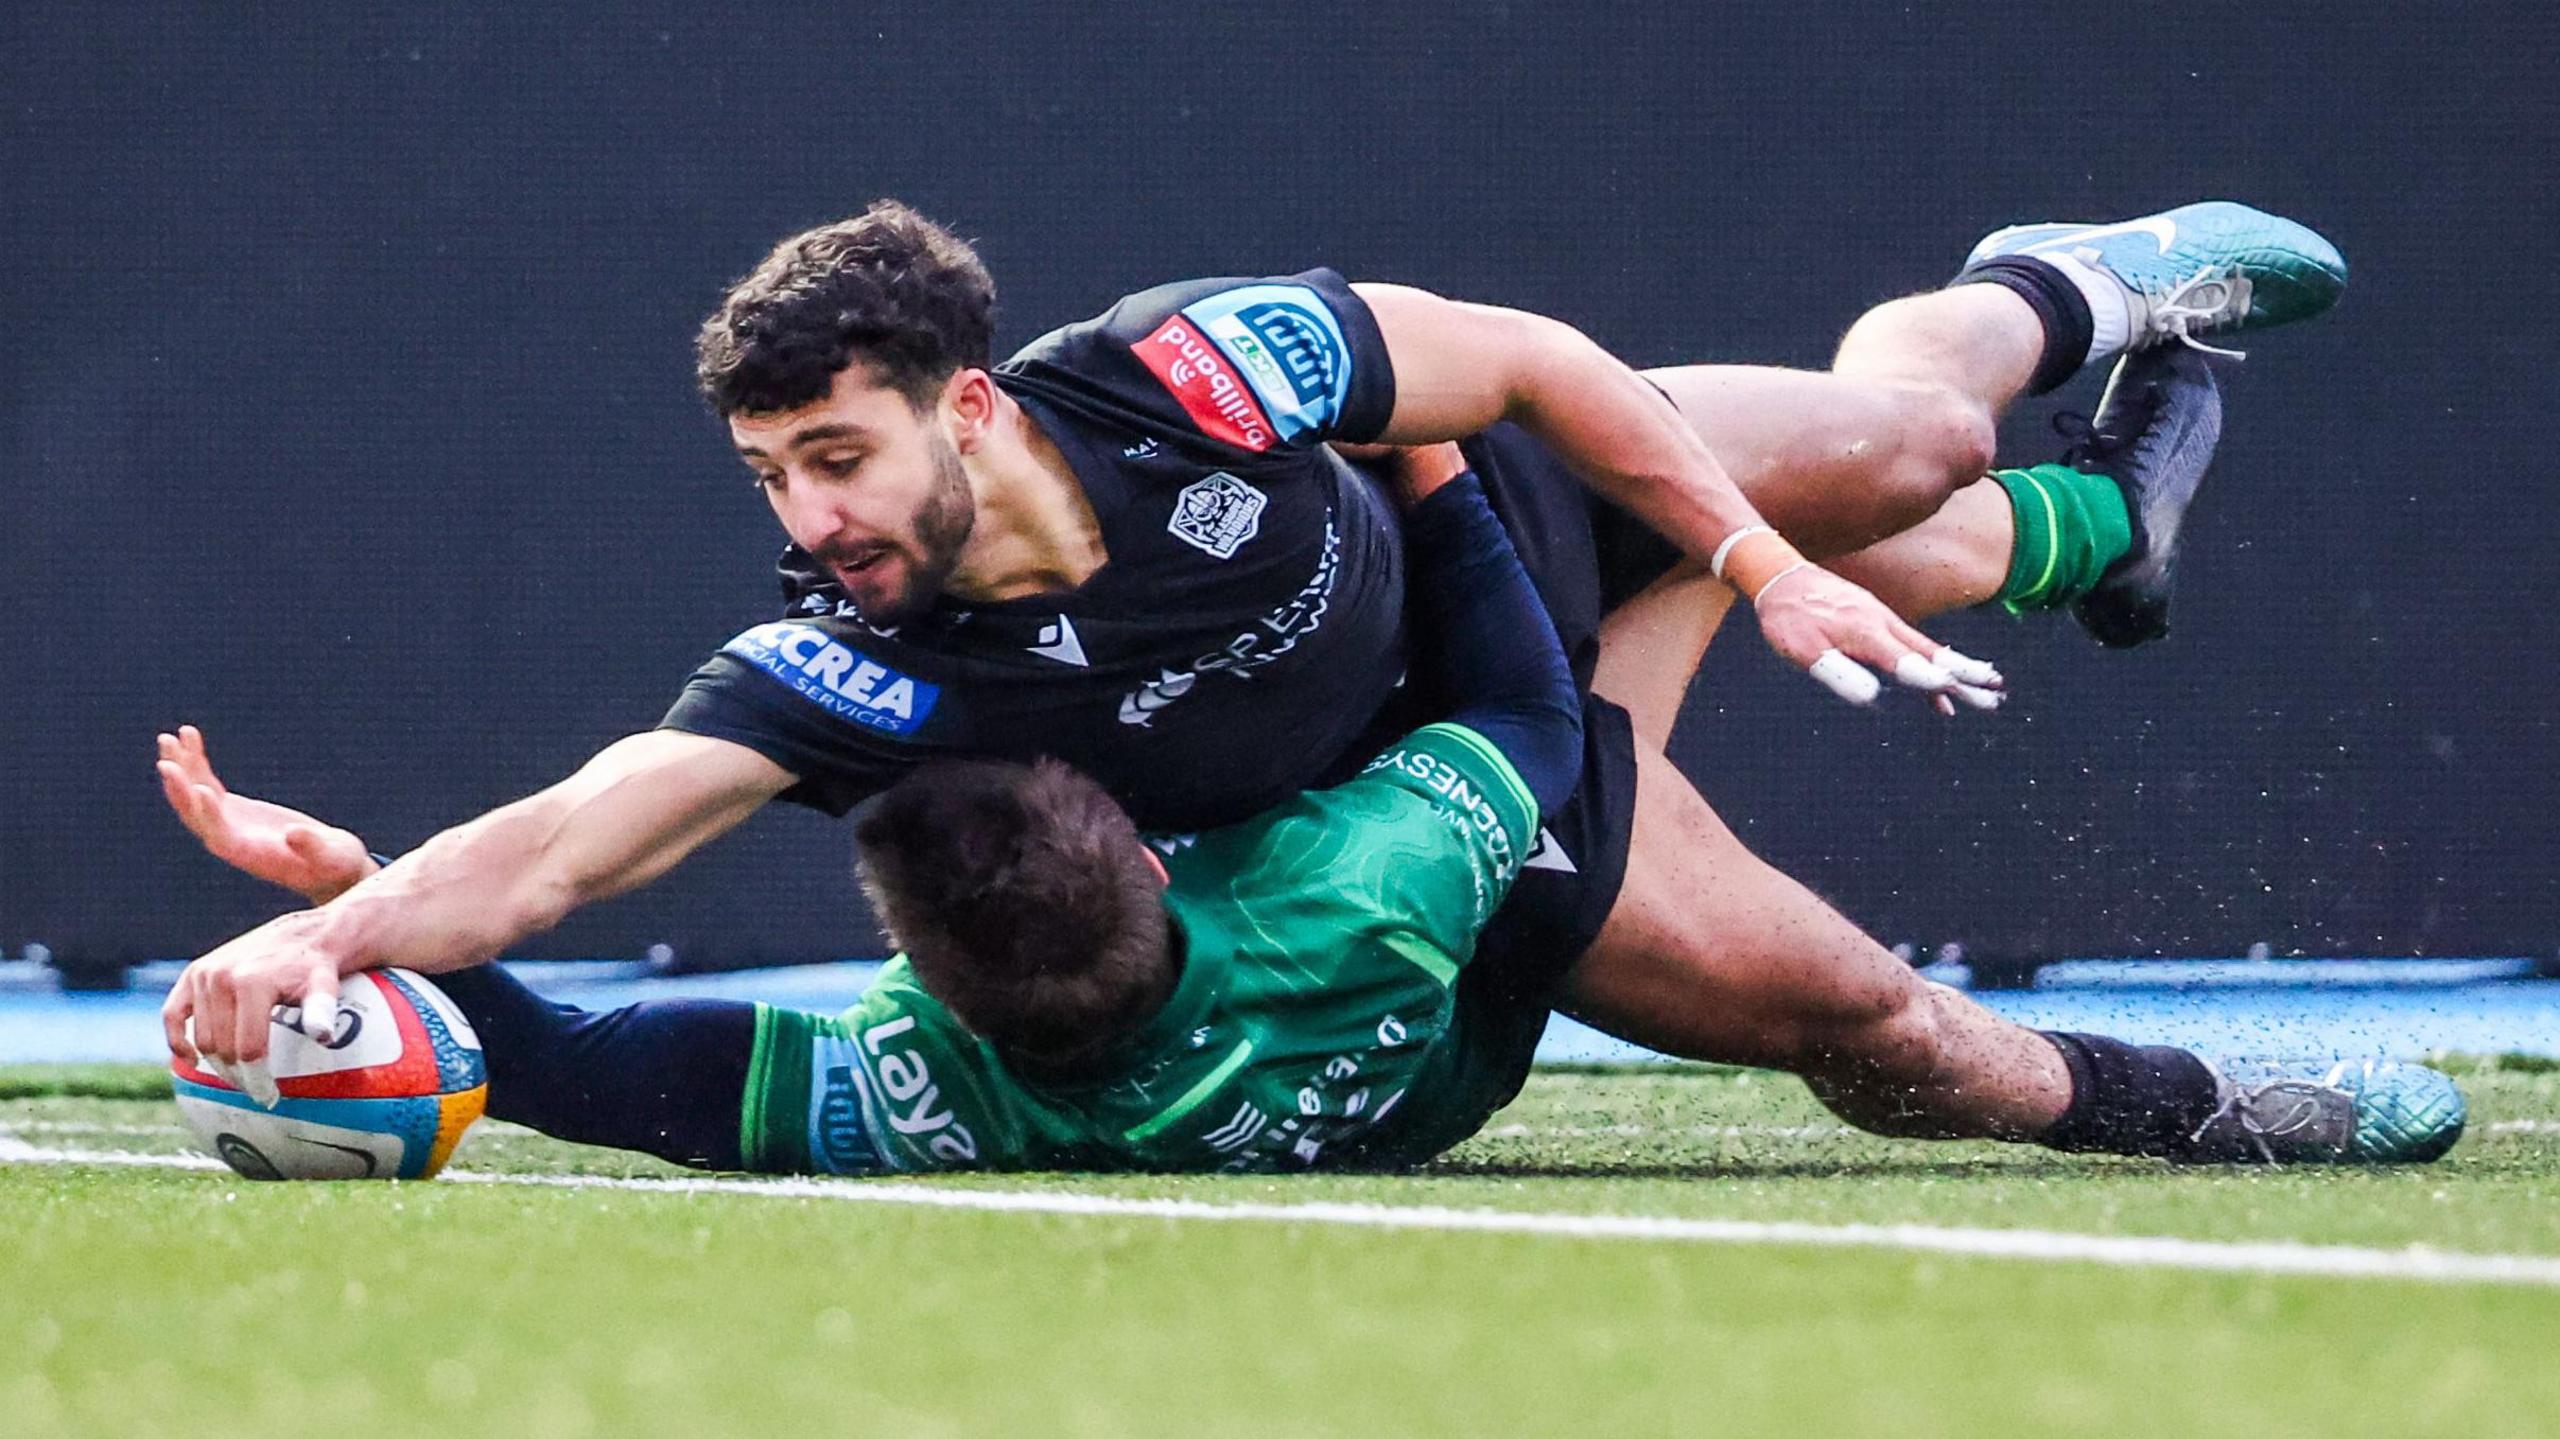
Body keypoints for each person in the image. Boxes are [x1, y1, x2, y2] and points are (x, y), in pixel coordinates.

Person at [163, 196, 2462, 1166]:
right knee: (1867, 1029)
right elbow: (561, 846)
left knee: (1909, 464)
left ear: (969, 401)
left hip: (1484, 509)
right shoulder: (843, 669)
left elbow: (1539, 369)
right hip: (1432, 791)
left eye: (835, 456)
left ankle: (2070, 297)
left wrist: (1750, 559)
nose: (808, 518)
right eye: (772, 476)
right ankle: (2126, 625)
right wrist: (323, 934)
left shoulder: (1190, 365)